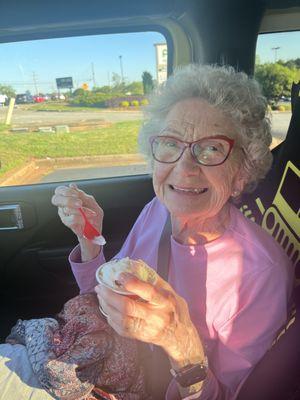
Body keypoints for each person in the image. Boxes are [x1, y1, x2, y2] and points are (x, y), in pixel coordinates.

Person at [51, 64, 294, 400]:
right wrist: (89, 236)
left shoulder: (260, 274)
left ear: (242, 170)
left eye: (211, 149)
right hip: (116, 375)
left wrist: (182, 344)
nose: (184, 168)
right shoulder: (157, 209)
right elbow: (104, 299)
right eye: (170, 142)